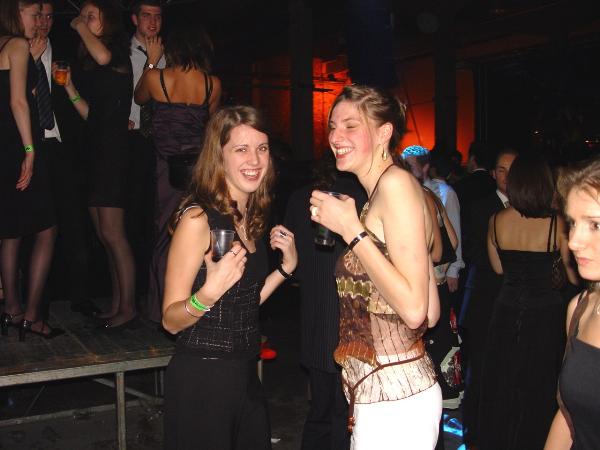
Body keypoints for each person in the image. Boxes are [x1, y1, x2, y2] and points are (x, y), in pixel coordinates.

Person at [310, 85, 441, 449]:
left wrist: (350, 230)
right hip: (386, 395)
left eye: (350, 126)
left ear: (384, 133)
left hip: (396, 403)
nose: (336, 136)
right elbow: (431, 310)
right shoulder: (382, 193)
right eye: (332, 126)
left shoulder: (396, 185)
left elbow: (414, 311)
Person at [161, 105, 297, 450]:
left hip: (244, 375)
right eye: (241, 149)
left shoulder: (250, 220)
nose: (255, 159)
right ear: (218, 158)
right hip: (202, 380)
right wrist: (207, 294)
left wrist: (285, 269)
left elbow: (242, 302)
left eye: (262, 148)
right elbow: (170, 321)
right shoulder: (198, 220)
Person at [478, 153, 578, 450]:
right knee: (539, 388)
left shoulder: (497, 220)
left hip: (506, 311)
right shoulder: (556, 224)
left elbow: (498, 268)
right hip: (545, 315)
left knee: (503, 385)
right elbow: (573, 276)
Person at [134, 20, 221, 324]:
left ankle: (161, 308)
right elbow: (211, 128)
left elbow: (138, 98)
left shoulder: (155, 77)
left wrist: (152, 60)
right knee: (199, 235)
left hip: (165, 170)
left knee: (163, 237)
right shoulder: (212, 83)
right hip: (197, 172)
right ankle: (193, 303)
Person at [57, 0, 136, 328]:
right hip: (96, 151)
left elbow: (102, 56)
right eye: (84, 15)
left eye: (91, 16)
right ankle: (117, 304)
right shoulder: (95, 63)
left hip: (114, 153)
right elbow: (92, 115)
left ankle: (128, 308)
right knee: (104, 235)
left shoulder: (116, 55)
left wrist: (77, 24)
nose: (84, 20)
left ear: (108, 21)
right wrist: (69, 88)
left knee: (114, 234)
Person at [285, 152, 367, 450]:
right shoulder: (359, 198)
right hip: (351, 315)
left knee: (320, 410)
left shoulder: (299, 197)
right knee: (345, 413)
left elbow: (290, 256)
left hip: (315, 312)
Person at [0, 0, 63, 340]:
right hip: (17, 145)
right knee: (47, 229)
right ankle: (33, 316)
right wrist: (29, 151)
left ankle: (12, 310)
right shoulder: (17, 44)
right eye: (32, 13)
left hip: (3, 147)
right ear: (15, 12)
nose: (38, 19)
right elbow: (18, 102)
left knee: (10, 232)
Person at [37, 0, 96, 317]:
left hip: (63, 148)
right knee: (36, 228)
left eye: (49, 16)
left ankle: (80, 296)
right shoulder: (13, 52)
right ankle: (36, 302)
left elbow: (83, 107)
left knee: (74, 223)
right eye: (39, 15)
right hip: (29, 149)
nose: (44, 22)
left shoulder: (64, 54)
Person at [459, 148, 517, 448]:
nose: (507, 176)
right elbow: (471, 252)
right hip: (485, 299)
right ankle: (474, 435)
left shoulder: (528, 209)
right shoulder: (481, 207)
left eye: (512, 170)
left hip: (515, 304)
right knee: (479, 372)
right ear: (493, 174)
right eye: (502, 170)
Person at [545, 157, 600, 450]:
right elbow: (569, 417)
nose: (574, 241)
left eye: (595, 225)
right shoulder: (580, 308)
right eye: (573, 223)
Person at [127, 0, 165, 303]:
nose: (152, 22)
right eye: (146, 16)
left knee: (158, 218)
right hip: (131, 138)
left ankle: (154, 291)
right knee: (133, 217)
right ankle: (134, 290)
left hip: (161, 140)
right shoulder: (122, 52)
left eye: (157, 17)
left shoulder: (169, 54)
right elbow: (135, 97)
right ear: (134, 19)